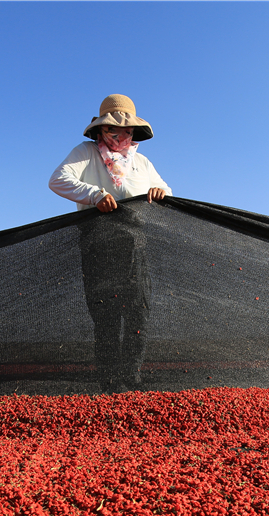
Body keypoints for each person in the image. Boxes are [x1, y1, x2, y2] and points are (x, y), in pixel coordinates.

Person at [48, 94, 172, 393]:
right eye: (113, 131)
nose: (120, 136)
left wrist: (160, 192)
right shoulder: (86, 153)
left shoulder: (141, 162)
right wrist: (94, 195)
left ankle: (131, 378)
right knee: (105, 314)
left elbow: (167, 189)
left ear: (134, 132)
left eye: (126, 131)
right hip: (98, 242)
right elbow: (58, 180)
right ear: (100, 130)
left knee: (137, 312)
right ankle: (108, 382)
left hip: (135, 243)